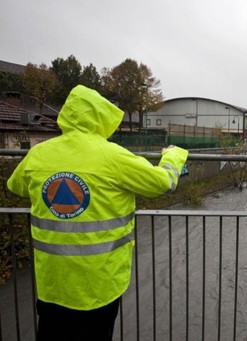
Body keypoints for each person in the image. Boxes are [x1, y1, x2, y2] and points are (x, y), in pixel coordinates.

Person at [7, 85, 188, 340]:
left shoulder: (39, 153)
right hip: (99, 285)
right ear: (102, 119)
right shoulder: (112, 156)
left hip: (52, 284)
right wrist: (173, 156)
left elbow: (15, 185)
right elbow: (163, 183)